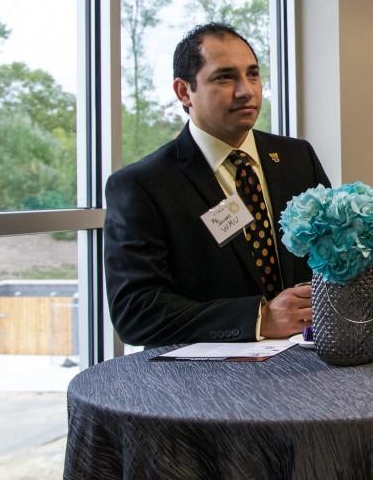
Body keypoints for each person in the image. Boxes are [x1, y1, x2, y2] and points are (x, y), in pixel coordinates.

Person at [105, 23, 332, 347]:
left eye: (253, 75)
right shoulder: (142, 185)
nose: (246, 91)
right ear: (184, 92)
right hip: (205, 381)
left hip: (310, 361)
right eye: (225, 78)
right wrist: (258, 318)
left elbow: (334, 255)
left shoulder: (297, 157)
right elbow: (136, 312)